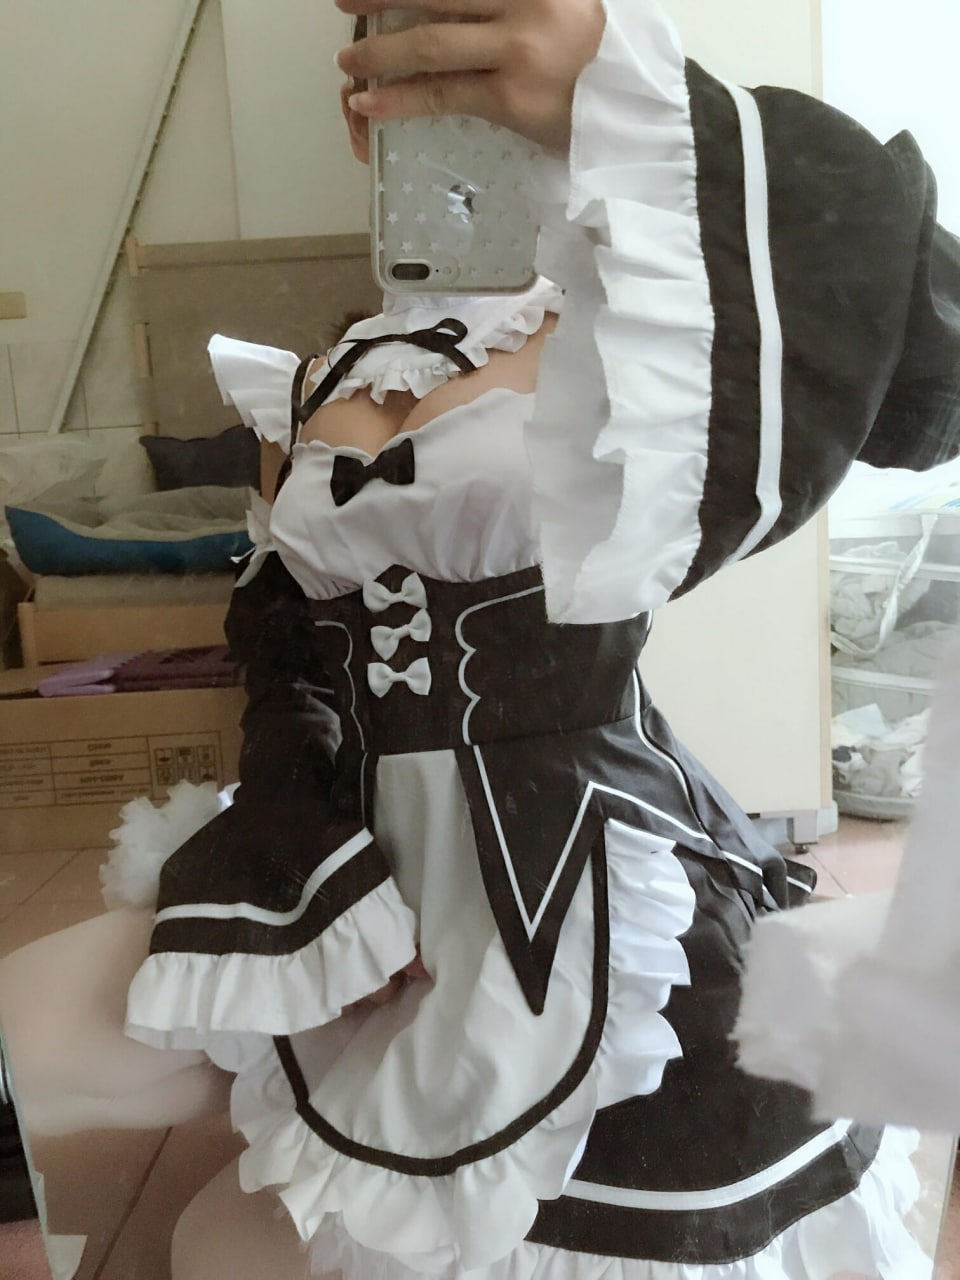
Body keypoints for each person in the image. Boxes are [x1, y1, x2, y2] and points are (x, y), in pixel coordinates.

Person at [2, 1, 960, 1277]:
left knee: (245, 1243)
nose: (412, 57)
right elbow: (285, 663)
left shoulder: (648, 313)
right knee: (51, 1070)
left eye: (465, 16)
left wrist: (624, 104)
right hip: (352, 871)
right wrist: (309, 874)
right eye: (386, 26)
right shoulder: (325, 366)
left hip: (582, 896)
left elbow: (935, 385)